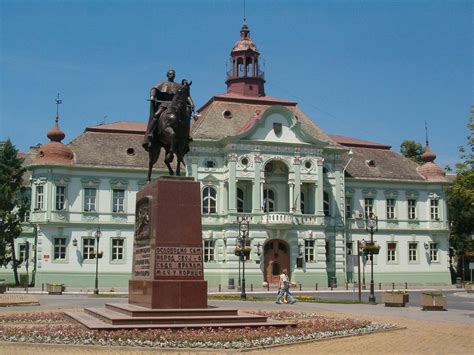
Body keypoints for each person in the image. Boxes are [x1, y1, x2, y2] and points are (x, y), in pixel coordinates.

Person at [142, 69, 194, 151]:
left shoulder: (178, 86)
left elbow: (186, 94)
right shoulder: (162, 83)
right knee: (156, 115)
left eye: (173, 74)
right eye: (170, 74)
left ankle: (187, 135)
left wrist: (191, 103)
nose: (172, 75)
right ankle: (151, 133)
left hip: (175, 106)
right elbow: (154, 89)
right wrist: (152, 96)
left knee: (186, 117)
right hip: (164, 104)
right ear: (167, 75)